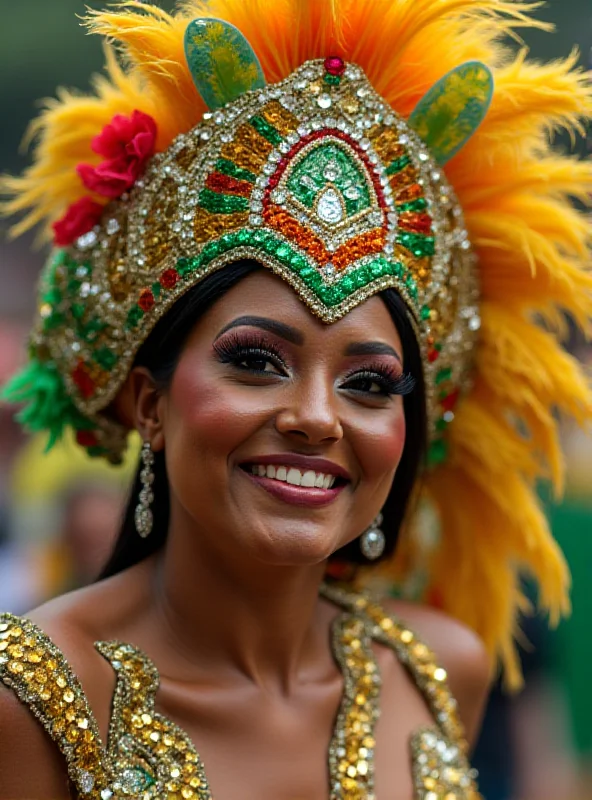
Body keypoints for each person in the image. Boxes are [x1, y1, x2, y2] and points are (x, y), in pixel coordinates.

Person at [0, 1, 590, 798]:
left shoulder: (444, 666)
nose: (317, 415)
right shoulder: (28, 699)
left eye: (371, 384)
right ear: (148, 404)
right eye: (255, 361)